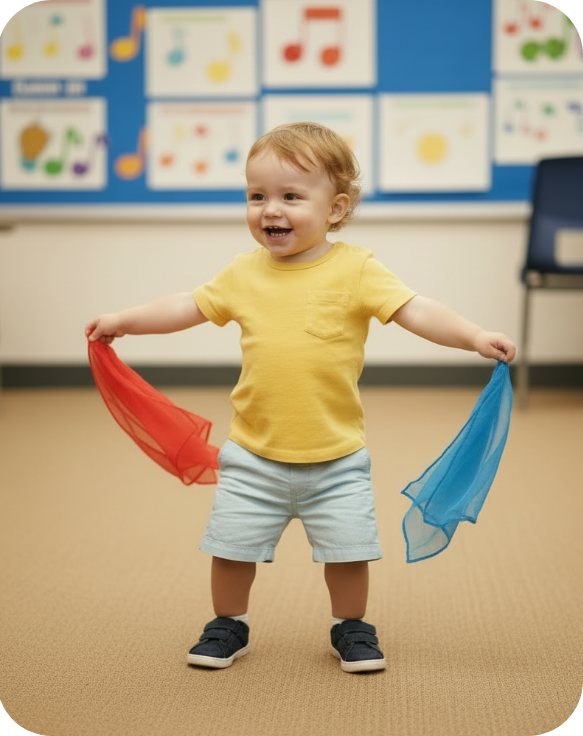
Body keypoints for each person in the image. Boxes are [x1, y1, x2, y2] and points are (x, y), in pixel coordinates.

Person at [86, 122, 516, 673]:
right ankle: (228, 624)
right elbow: (186, 305)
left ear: (335, 209)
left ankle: (352, 627)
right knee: (232, 549)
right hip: (252, 455)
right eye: (257, 195)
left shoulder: (357, 269)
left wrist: (475, 336)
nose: (271, 210)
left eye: (291, 196)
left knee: (349, 553)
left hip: (336, 458)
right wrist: (125, 321)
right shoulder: (243, 273)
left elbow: (417, 309)